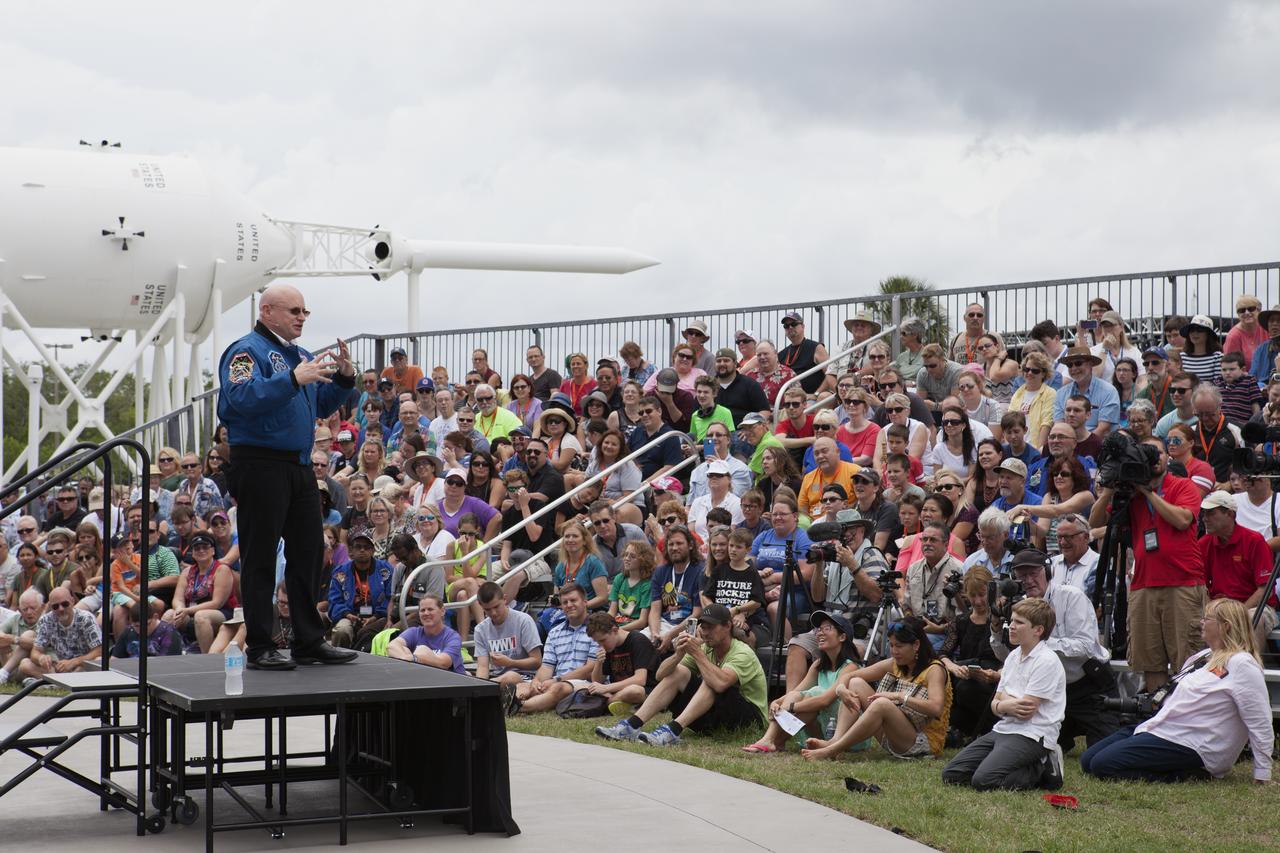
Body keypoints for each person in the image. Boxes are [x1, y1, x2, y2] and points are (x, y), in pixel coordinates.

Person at [216, 283, 357, 670]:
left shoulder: (300, 356)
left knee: (309, 551)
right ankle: (260, 644)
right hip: (260, 463)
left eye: (304, 312)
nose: (301, 318)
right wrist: (293, 378)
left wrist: (344, 378)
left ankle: (308, 639)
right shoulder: (246, 351)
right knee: (260, 556)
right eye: (294, 310)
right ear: (267, 311)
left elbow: (319, 404)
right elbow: (239, 397)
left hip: (297, 465)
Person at [1080, 598, 1272, 784]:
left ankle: (1188, 775)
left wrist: (1262, 772)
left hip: (1195, 743)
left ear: (1226, 626)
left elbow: (1260, 720)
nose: (1201, 623)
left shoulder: (1242, 664)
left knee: (1102, 765)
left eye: (1207, 619)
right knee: (1087, 760)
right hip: (1165, 729)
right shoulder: (1203, 657)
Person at [1090, 437, 1205, 692]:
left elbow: (1182, 520)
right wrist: (1110, 488)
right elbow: (1094, 522)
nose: (1154, 458)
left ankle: (1187, 722)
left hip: (1182, 583)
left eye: (1159, 453)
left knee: (1186, 661)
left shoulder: (1182, 486)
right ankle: (1158, 719)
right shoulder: (1130, 494)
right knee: (1150, 662)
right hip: (1143, 585)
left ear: (1168, 458)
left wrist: (1146, 492)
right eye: (1147, 453)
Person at [594, 603, 766, 745]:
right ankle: (631, 726)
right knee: (680, 670)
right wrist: (679, 654)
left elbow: (720, 684)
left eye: (711, 628)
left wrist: (697, 653)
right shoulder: (706, 648)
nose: (705, 633)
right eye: (703, 627)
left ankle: (673, 731)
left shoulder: (742, 652)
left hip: (750, 720)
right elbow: (661, 675)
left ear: (728, 626)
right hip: (719, 717)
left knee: (711, 679)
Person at [943, 597, 1066, 791]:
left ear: (1038, 630)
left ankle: (1042, 766)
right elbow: (995, 703)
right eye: (1012, 621)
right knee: (952, 774)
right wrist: (1005, 704)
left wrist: (1002, 703)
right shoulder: (1013, 657)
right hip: (1005, 727)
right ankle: (1014, 763)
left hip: (1032, 734)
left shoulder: (1046, 661)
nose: (1011, 626)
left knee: (983, 780)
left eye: (1019, 622)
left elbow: (1025, 711)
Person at [800, 617, 951, 760]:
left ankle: (832, 750)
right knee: (856, 683)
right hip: (893, 736)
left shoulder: (934, 669)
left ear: (916, 645)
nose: (894, 651)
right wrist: (841, 689)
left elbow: (935, 708)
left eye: (899, 646)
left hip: (922, 743)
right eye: (891, 645)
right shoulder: (895, 663)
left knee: (882, 703)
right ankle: (835, 741)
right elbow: (850, 676)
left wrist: (899, 697)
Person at [743, 609, 858, 753]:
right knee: (794, 695)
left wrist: (791, 707)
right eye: (819, 629)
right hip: (822, 727)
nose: (820, 633)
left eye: (827, 628)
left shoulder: (850, 667)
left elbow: (825, 700)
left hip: (842, 733)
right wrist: (777, 702)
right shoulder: (818, 665)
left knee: (814, 693)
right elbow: (797, 691)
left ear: (842, 637)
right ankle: (769, 739)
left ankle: (776, 741)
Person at [1197, 491, 1278, 650]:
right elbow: (1201, 587)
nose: (1205, 519)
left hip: (1257, 607)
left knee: (1250, 617)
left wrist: (1235, 612)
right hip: (1219, 608)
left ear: (1230, 514)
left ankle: (1248, 668)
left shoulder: (1254, 541)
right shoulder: (1203, 544)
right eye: (1204, 514)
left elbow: (1265, 590)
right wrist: (1213, 612)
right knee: (1195, 618)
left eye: (1211, 513)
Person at [510, 584, 599, 714]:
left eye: (573, 600)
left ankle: (520, 707)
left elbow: (590, 669)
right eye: (565, 602)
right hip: (557, 681)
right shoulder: (554, 632)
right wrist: (537, 681)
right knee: (522, 685)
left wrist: (556, 680)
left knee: (558, 688)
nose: (569, 605)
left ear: (585, 602)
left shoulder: (596, 629)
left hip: (586, 683)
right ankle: (514, 701)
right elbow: (547, 666)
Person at [937, 567, 1001, 743]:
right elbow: (943, 653)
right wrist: (954, 668)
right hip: (966, 675)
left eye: (982, 595)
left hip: (994, 679)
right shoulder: (961, 621)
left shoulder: (1001, 619)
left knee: (966, 690)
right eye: (973, 596)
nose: (978, 601)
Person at [325, 531, 394, 650]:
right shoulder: (340, 572)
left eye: (366, 547)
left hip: (378, 616)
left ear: (373, 550)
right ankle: (338, 660)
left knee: (379, 631)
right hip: (349, 615)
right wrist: (347, 614)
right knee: (342, 630)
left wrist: (376, 616)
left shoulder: (386, 569)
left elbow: (390, 598)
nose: (362, 550)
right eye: (358, 546)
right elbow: (334, 600)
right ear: (351, 550)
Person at [17, 587, 102, 681]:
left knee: (99, 661)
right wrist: (41, 658)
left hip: (83, 666)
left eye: (65, 604)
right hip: (61, 668)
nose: (60, 609)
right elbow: (35, 651)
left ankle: (59, 682)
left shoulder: (86, 618)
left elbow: (98, 650)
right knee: (25, 664)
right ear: (51, 607)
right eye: (55, 606)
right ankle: (65, 681)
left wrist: (74, 662)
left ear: (72, 601)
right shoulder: (46, 621)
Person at [584, 611, 659, 715]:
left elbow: (640, 680)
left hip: (646, 691)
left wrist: (606, 688)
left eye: (603, 640)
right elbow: (597, 681)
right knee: (587, 688)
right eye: (597, 642)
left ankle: (606, 704)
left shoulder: (638, 640)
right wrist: (598, 662)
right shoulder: (609, 647)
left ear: (614, 630)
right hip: (618, 691)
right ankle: (622, 705)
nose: (601, 645)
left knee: (633, 691)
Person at [903, 522, 963, 649]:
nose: (927, 543)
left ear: (946, 544)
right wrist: (911, 624)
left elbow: (963, 616)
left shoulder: (958, 569)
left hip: (946, 632)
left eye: (933, 540)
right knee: (893, 642)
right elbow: (907, 606)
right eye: (924, 539)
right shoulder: (914, 568)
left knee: (918, 648)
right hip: (917, 629)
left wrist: (940, 629)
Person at [473, 581, 544, 685]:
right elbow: (482, 667)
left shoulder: (523, 620)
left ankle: (488, 685)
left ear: (505, 599)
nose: (493, 613)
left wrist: (510, 663)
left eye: (496, 607)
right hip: (498, 677)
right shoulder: (480, 629)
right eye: (487, 609)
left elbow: (537, 661)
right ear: (480, 605)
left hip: (525, 677)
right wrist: (479, 685)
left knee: (510, 677)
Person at [648, 525, 705, 651]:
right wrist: (655, 634)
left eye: (679, 543)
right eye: (671, 544)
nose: (674, 548)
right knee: (642, 641)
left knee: (680, 645)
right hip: (665, 623)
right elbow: (655, 610)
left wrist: (670, 636)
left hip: (690, 625)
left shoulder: (700, 571)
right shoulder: (660, 571)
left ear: (690, 545)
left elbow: (697, 614)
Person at [387, 593, 466, 674]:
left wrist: (416, 658)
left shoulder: (452, 636)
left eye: (430, 609)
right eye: (422, 610)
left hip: (452, 682)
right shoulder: (414, 632)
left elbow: (443, 663)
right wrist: (406, 658)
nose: (426, 613)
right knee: (404, 649)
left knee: (421, 650)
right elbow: (391, 646)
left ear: (442, 611)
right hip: (425, 680)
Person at [1053, 345, 1121, 439]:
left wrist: (1082, 444)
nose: (1073, 368)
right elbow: (1059, 426)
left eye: (1078, 363)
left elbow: (1103, 428)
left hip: (1100, 446)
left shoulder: (1109, 391)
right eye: (1069, 365)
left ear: (1090, 364)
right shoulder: (1061, 394)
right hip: (1069, 445)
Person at [1189, 385, 1241, 487]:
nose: (1204, 418)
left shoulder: (1236, 430)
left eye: (1209, 414)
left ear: (1219, 407)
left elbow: (1247, 464)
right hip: (1195, 489)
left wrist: (1230, 484)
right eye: (1199, 414)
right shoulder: (1190, 432)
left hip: (1225, 491)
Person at [711, 346, 770, 424]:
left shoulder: (750, 384)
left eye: (726, 360)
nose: (722, 364)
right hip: (712, 432)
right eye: (719, 361)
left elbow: (765, 411)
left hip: (742, 432)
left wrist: (751, 427)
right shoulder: (708, 386)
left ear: (735, 364)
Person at [777, 312, 828, 395]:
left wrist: (816, 394)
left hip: (810, 398)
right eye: (786, 326)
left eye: (793, 324)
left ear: (803, 326)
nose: (790, 327)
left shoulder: (816, 348)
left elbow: (830, 374)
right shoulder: (781, 354)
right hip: (787, 400)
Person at [1216, 352, 1263, 427]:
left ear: (1243, 369)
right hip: (1221, 426)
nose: (1227, 373)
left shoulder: (1249, 381)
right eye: (1224, 370)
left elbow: (1255, 406)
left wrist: (1254, 425)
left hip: (1242, 425)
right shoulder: (1218, 382)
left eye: (1232, 369)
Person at [1178, 314, 1223, 385]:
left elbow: (1218, 384)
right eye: (1191, 330)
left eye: (1199, 330)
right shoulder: (1182, 356)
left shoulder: (1217, 357)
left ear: (1208, 334)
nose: (1195, 333)